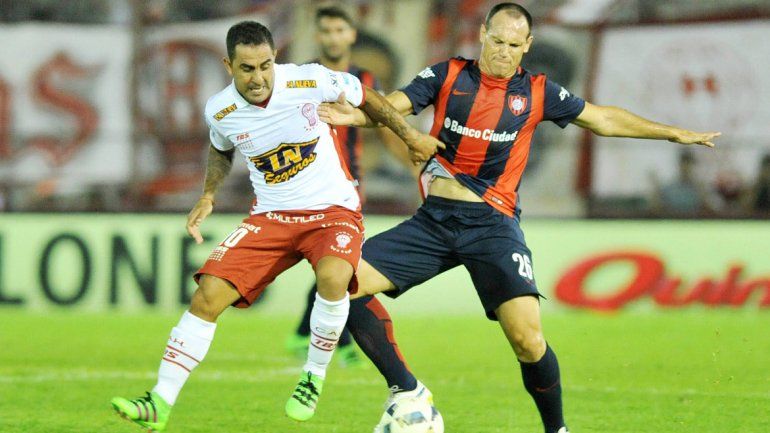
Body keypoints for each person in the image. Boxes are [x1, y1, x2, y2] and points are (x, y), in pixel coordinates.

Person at [317, 3, 720, 433]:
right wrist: (357, 115)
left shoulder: (539, 92)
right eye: (497, 41)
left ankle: (557, 429)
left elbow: (602, 118)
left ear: (527, 45)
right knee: (342, 283)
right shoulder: (447, 75)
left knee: (528, 342)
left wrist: (673, 133)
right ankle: (407, 390)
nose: (503, 52)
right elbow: (395, 105)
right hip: (434, 222)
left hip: (493, 226)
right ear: (482, 34)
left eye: (513, 44)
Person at [110, 20, 443, 431]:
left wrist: (411, 136)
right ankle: (159, 401)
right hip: (271, 217)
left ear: (275, 60)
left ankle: (312, 377)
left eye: (265, 66)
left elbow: (367, 96)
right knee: (207, 295)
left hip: (331, 211)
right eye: (247, 68)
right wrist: (208, 195)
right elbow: (220, 148)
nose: (259, 77)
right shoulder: (220, 109)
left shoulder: (308, 79)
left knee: (334, 278)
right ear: (228, 66)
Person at [285, 5, 412, 368]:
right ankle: (330, 340)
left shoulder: (365, 79)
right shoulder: (300, 78)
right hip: (308, 183)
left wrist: (414, 163)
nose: (333, 37)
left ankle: (311, 335)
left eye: (340, 30)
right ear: (317, 35)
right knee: (334, 265)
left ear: (352, 35)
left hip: (349, 185)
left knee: (338, 264)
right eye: (326, 31)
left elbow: (384, 127)